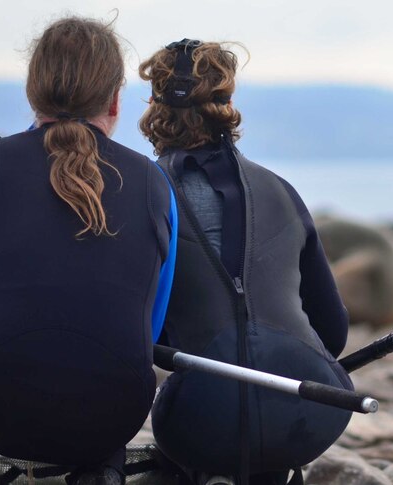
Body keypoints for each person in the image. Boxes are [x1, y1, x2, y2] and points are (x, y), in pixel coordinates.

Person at [0, 17, 176, 485]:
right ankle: (102, 469)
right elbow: (151, 322)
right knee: (117, 339)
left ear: (33, 93)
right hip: (115, 414)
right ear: (115, 100)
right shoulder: (153, 183)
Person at [139, 39, 351, 485]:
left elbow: (131, 331)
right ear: (227, 103)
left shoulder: (141, 194)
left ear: (155, 108)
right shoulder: (280, 189)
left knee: (209, 416)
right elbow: (332, 332)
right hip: (312, 412)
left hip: (199, 426)